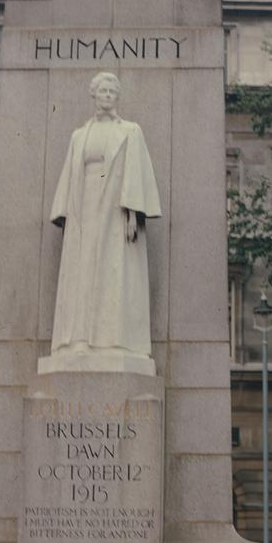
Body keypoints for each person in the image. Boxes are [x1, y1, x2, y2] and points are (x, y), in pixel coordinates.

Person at [49, 72, 161, 360]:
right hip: (84, 207)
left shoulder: (131, 131)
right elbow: (69, 175)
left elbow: (136, 173)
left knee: (114, 273)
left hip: (114, 208)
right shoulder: (79, 135)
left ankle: (113, 341)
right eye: (103, 91)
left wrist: (133, 213)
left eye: (113, 91)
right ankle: (79, 339)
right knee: (83, 273)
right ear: (94, 95)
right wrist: (66, 215)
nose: (108, 96)